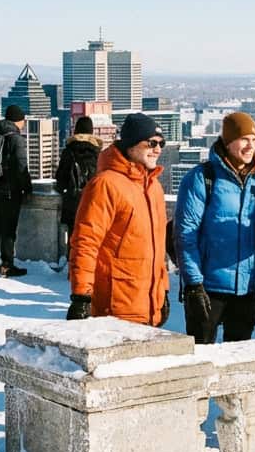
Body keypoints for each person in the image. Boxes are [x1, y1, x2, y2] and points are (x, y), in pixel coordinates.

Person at [66, 113, 169, 326]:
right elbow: (86, 242)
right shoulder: (106, 184)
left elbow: (159, 247)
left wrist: (163, 290)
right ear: (131, 145)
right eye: (151, 143)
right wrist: (81, 296)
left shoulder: (154, 188)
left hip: (150, 304)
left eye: (161, 143)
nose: (157, 149)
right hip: (116, 306)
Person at [175, 111, 255, 344]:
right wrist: (194, 284)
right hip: (208, 288)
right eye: (244, 139)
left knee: (237, 362)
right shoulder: (202, 178)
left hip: (246, 290)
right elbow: (186, 234)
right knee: (201, 358)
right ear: (228, 142)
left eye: (254, 139)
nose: (251, 146)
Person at [0, 104, 31, 277]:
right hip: (10, 190)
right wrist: (27, 188)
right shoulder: (16, 138)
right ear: (19, 120)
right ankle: (7, 264)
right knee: (9, 229)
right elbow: (21, 166)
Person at [53, 116, 102, 270]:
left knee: (74, 235)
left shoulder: (69, 151)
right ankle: (88, 267)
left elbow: (60, 178)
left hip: (73, 199)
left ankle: (73, 266)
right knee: (90, 236)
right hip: (92, 200)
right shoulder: (98, 152)